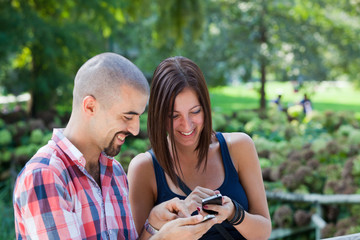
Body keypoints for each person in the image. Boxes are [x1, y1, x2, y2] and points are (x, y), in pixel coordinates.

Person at [13, 53, 216, 240]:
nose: (135, 130)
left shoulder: (115, 172)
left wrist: (154, 224)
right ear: (90, 106)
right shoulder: (46, 176)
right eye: (127, 116)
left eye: (138, 117)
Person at [128, 56, 271, 239]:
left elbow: (264, 231)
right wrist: (166, 226)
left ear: (206, 107)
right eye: (174, 116)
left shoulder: (239, 147)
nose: (186, 125)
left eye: (195, 112)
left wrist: (234, 213)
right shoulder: (144, 168)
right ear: (159, 115)